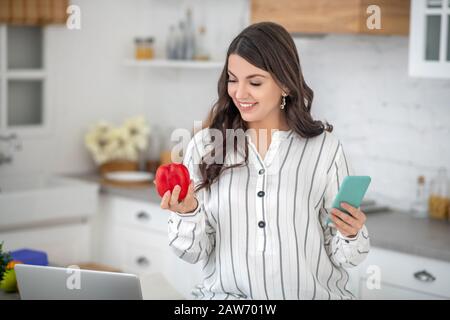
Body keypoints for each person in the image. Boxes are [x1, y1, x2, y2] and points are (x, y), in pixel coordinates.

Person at [157, 22, 370, 300]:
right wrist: (187, 213)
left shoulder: (324, 150)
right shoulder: (206, 147)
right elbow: (192, 251)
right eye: (233, 79)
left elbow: (345, 257)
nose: (239, 93)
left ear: (285, 84)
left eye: (255, 82)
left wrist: (351, 234)